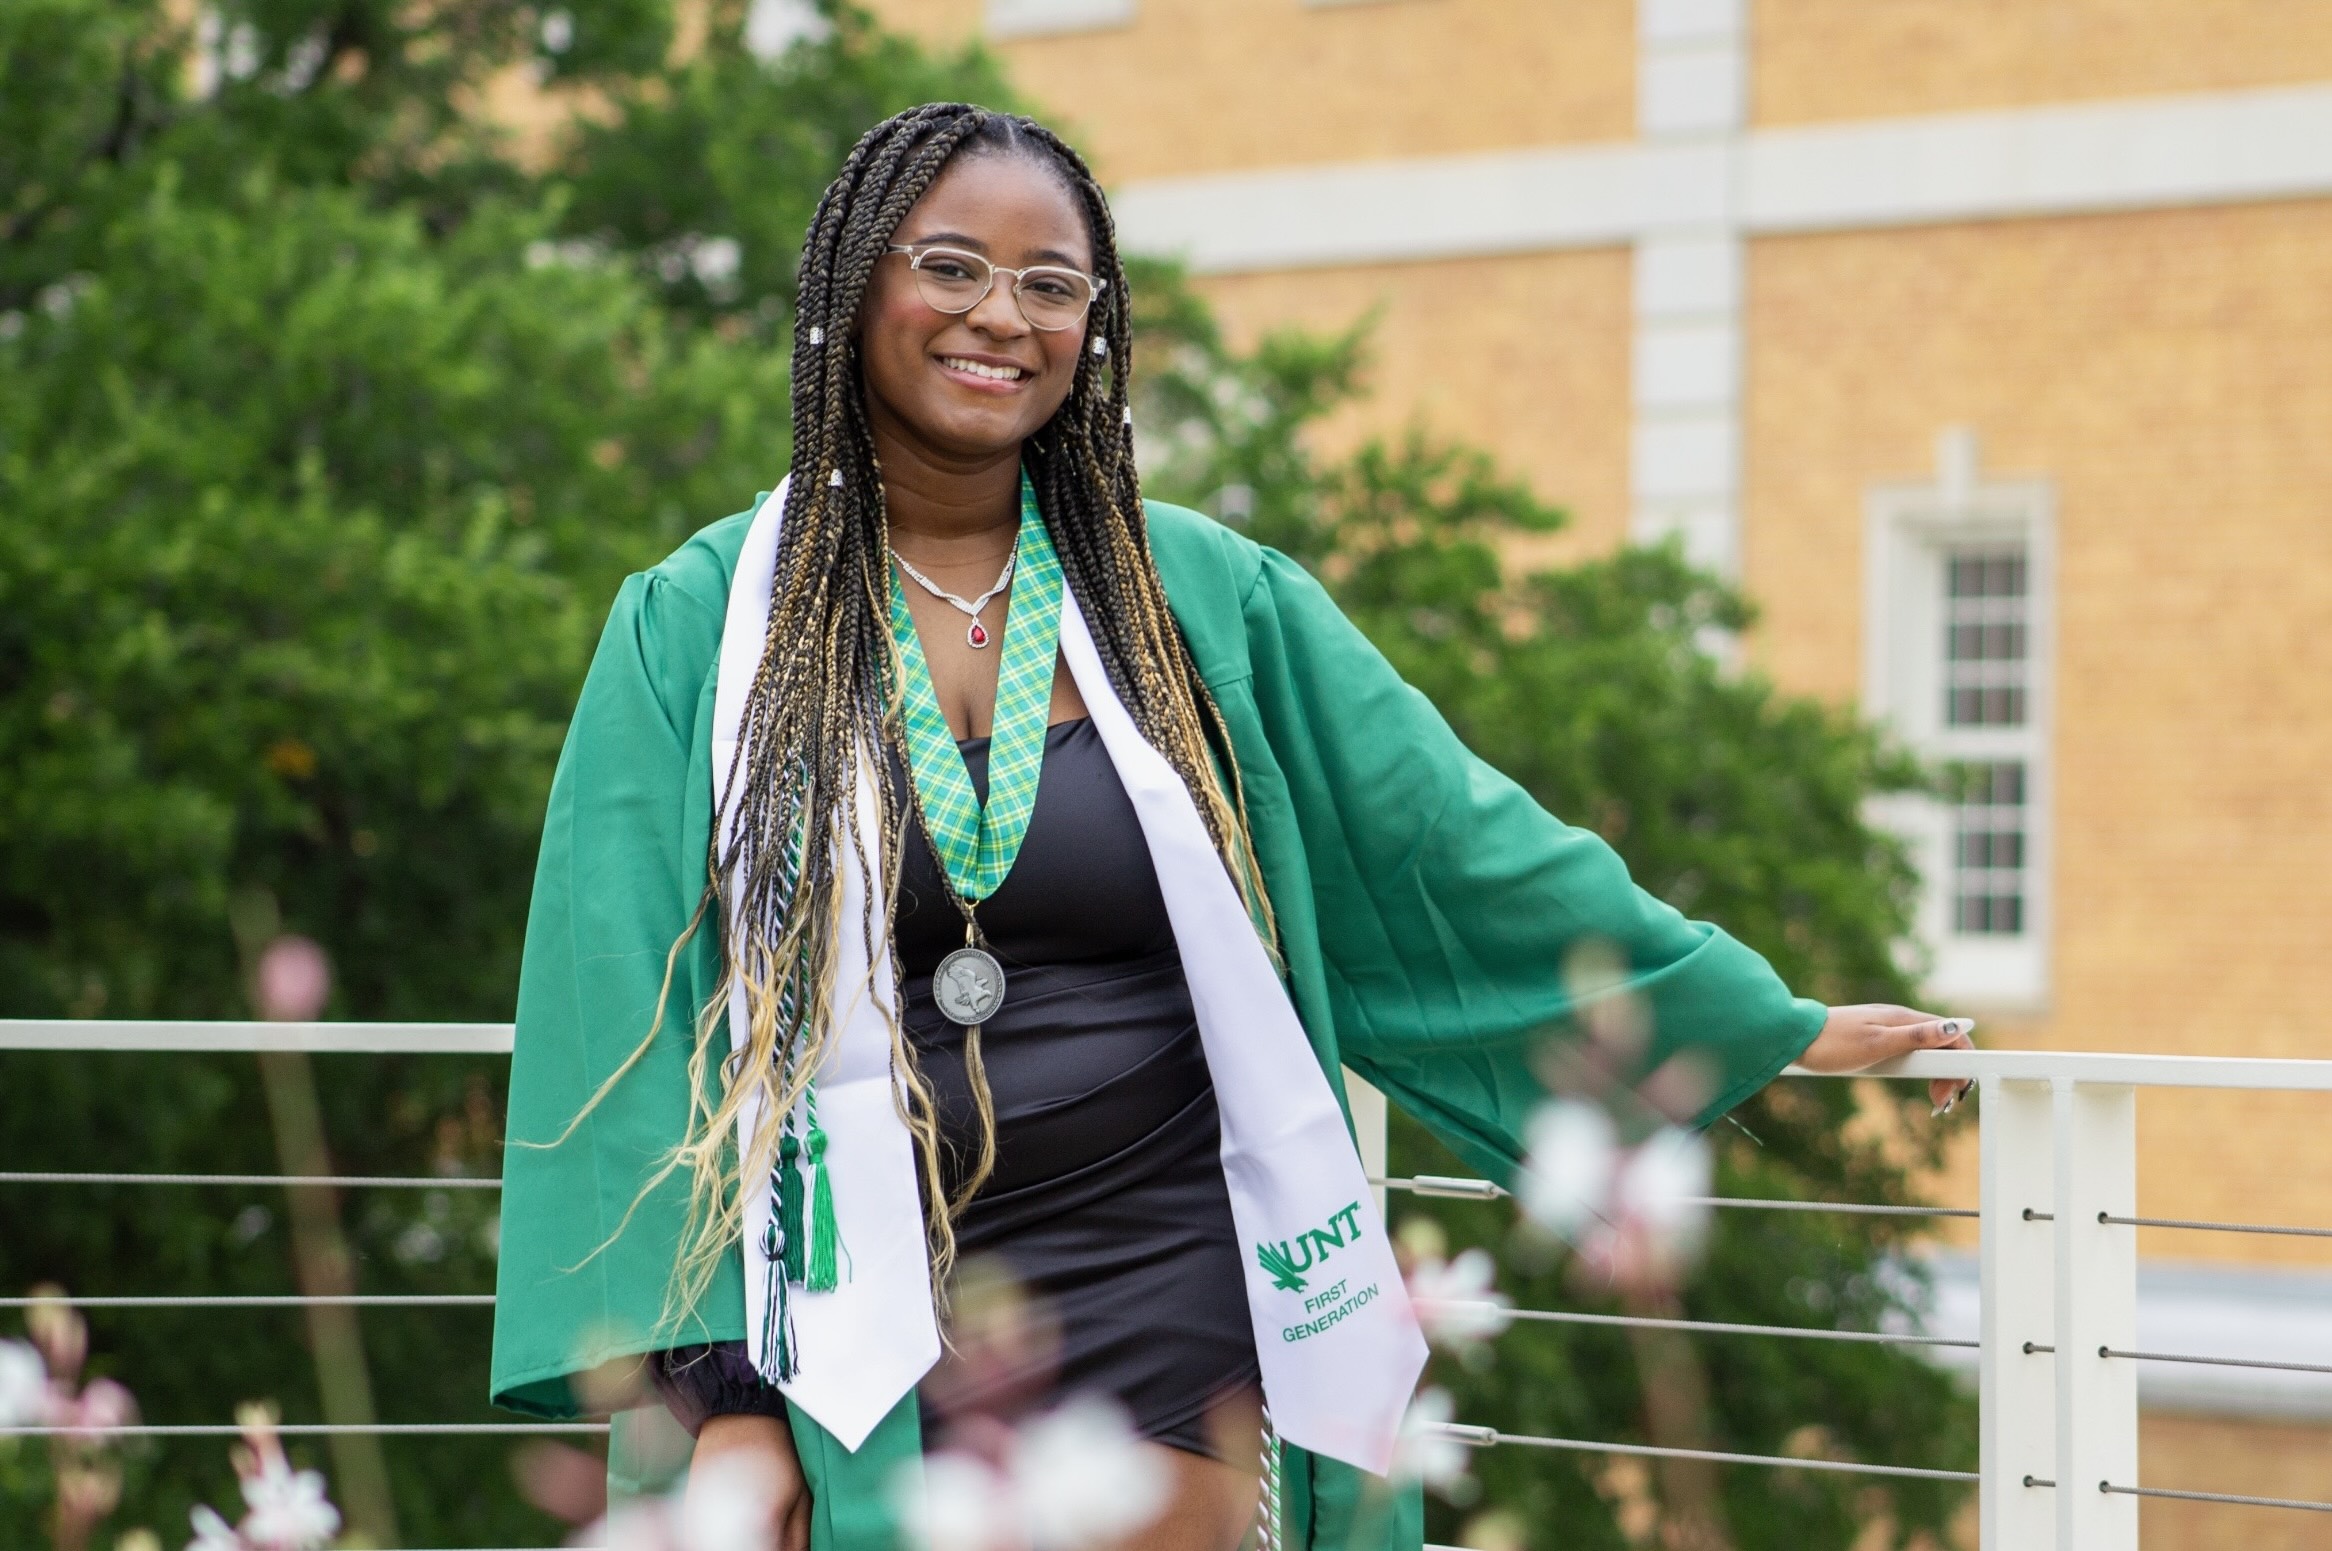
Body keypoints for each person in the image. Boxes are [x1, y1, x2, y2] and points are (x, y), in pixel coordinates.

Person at [488, 104, 1974, 1551]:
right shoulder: (699, 628)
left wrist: (1751, 1020)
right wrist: (727, 1394)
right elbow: (619, 1002)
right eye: (949, 266)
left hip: (1160, 1248)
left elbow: (1448, 846)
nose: (1000, 316)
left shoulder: (1200, 604)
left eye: (1051, 284)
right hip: (839, 1279)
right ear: (851, 286)